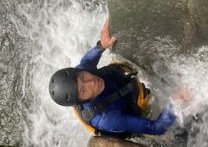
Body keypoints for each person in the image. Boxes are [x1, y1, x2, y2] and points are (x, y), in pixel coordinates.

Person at [48, 20, 176, 138]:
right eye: (83, 91)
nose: (91, 82)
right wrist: (176, 104)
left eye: (83, 77)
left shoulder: (81, 70)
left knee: (118, 68)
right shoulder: (107, 119)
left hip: (115, 87)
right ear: (82, 101)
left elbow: (87, 60)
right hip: (123, 111)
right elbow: (158, 128)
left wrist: (102, 45)